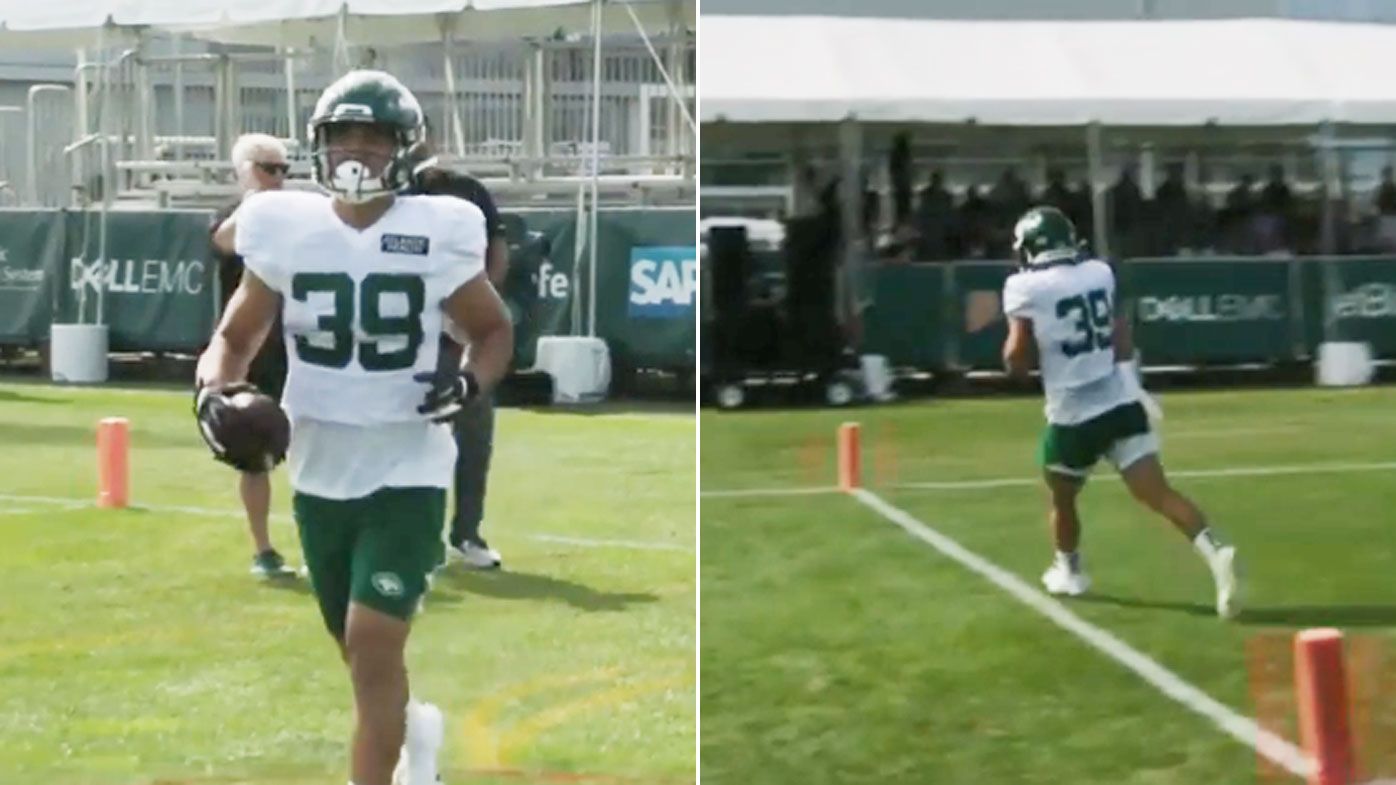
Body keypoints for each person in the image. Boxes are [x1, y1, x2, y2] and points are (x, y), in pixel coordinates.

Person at [201, 70, 514, 785]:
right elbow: (235, 337)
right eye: (344, 133)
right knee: (361, 653)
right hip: (318, 463)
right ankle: (417, 748)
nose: (358, 149)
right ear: (318, 143)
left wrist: (467, 380)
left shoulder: (440, 226)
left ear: (403, 148)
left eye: (375, 136)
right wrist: (213, 393)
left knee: (372, 642)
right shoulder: (285, 223)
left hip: (409, 462)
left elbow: (492, 329)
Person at [999, 205, 1240, 619]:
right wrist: (1133, 386)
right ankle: (1215, 551)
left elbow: (1017, 359)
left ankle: (1069, 570)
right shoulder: (1099, 273)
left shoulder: (1024, 288)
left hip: (1072, 415)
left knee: (1062, 495)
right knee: (1159, 493)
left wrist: (1018, 356)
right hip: (1120, 402)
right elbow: (1121, 337)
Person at [405, 129, 510, 569]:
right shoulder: (390, 196)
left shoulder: (467, 191)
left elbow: (497, 251)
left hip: (461, 328)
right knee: (405, 439)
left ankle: (466, 533)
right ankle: (410, 538)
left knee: (473, 432)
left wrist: (472, 310)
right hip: (407, 333)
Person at [211, 133, 297, 579]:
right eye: (268, 167)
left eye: (283, 169)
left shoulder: (294, 216)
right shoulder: (237, 214)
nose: (278, 177)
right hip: (251, 352)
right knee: (254, 452)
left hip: (296, 343)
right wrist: (258, 200)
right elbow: (225, 241)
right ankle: (263, 549)